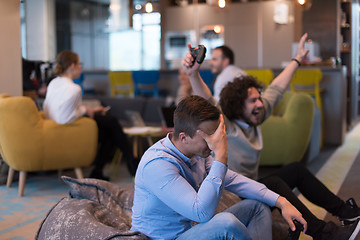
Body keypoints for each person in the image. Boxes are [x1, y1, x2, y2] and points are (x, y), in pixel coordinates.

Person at [182, 33, 360, 240]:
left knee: (296, 170)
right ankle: (324, 233)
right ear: (238, 106)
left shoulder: (256, 116)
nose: (260, 104)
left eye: (259, 99)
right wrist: (193, 74)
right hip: (231, 195)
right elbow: (208, 99)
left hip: (251, 187)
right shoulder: (225, 126)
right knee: (274, 183)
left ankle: (346, 212)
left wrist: (297, 59)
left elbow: (277, 87)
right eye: (253, 101)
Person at [131, 95, 307, 240]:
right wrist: (221, 156)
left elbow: (234, 180)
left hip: (189, 231)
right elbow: (201, 213)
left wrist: (282, 201)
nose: (214, 143)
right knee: (227, 223)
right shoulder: (157, 164)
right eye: (208, 137)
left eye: (216, 135)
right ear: (184, 137)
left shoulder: (196, 153)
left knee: (256, 207)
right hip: (166, 239)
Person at [43, 50, 138, 180]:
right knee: (111, 123)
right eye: (79, 64)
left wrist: (88, 110)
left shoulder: (54, 83)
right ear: (72, 66)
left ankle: (101, 170)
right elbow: (64, 118)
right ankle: (131, 161)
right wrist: (85, 111)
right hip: (68, 131)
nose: (81, 67)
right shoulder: (74, 89)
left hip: (52, 127)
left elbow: (60, 111)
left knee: (109, 130)